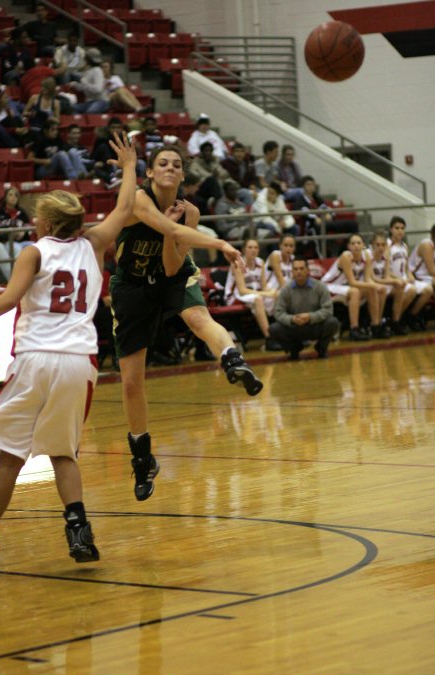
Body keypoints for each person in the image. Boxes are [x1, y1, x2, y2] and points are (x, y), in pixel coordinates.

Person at [0, 132, 137, 574]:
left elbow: (9, 301)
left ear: (48, 224)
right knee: (63, 453)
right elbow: (125, 209)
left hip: (37, 358)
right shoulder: (94, 244)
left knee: (11, 457)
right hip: (79, 362)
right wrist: (129, 166)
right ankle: (79, 533)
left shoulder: (33, 252)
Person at [109, 145, 258, 503]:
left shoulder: (189, 211)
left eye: (177, 164)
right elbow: (165, 228)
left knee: (197, 316)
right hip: (131, 285)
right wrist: (217, 241)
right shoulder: (139, 200)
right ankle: (142, 457)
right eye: (163, 163)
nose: (171, 168)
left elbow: (174, 266)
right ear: (149, 172)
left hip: (170, 278)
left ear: (183, 174)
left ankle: (231, 359)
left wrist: (179, 229)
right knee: (131, 383)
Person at [269, 256, 340, 359]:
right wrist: (292, 319)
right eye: (296, 269)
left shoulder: (320, 287)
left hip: (314, 325)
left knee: (333, 322)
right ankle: (295, 349)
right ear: (292, 271)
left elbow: (328, 310)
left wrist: (310, 317)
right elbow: (278, 312)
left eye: (302, 269)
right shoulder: (285, 290)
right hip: (294, 327)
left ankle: (321, 348)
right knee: (274, 329)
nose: (299, 272)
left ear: (307, 270)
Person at [321, 233, 389, 340]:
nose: (356, 245)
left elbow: (367, 279)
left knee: (371, 290)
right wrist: (374, 286)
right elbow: (352, 282)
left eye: (359, 243)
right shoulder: (346, 256)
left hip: (346, 287)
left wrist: (375, 286)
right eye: (353, 243)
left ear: (363, 245)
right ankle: (354, 329)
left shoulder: (366, 255)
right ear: (348, 246)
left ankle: (375, 326)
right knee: (355, 291)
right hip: (329, 286)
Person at [224, 238, 280, 349]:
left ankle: (282, 335)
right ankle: (269, 339)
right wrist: (265, 294)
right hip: (234, 296)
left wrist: (271, 292)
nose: (253, 250)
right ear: (244, 250)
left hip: (253, 294)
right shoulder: (237, 263)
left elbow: (264, 286)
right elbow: (242, 290)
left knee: (277, 295)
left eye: (256, 247)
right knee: (258, 299)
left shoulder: (260, 262)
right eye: (250, 247)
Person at [292, 175, 359, 257]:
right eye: (308, 184)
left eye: (312, 184)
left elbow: (328, 208)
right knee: (318, 228)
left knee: (352, 224)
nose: (311, 187)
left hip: (325, 223)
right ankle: (323, 256)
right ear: (303, 187)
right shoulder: (300, 199)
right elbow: (303, 212)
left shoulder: (317, 197)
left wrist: (329, 214)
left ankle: (345, 252)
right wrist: (315, 217)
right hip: (312, 226)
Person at [387, 216, 433, 331]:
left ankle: (411, 316)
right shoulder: (387, 245)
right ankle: (395, 320)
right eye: (397, 228)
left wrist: (410, 275)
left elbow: (406, 267)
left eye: (402, 228)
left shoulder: (404, 246)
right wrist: (398, 279)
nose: (400, 231)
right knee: (411, 290)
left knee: (428, 290)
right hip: (392, 280)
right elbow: (385, 270)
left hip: (404, 279)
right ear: (391, 229)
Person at [368, 231, 408, 335]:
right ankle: (377, 323)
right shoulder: (368, 255)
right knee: (382, 289)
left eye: (383, 245)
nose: (381, 247)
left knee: (400, 287)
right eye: (377, 245)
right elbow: (372, 278)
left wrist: (397, 281)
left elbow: (386, 276)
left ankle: (395, 321)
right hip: (369, 284)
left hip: (379, 283)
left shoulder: (385, 256)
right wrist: (394, 280)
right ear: (372, 244)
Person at [409, 222, 435, 329]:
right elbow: (431, 270)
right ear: (433, 236)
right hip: (415, 276)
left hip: (430, 277)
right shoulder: (427, 245)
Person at [0, 186, 31, 258]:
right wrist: (13, 233)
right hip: (6, 242)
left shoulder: (22, 212)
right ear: (5, 198)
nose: (13, 197)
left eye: (16, 195)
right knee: (17, 249)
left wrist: (23, 231)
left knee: (36, 248)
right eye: (10, 195)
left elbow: (28, 226)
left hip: (23, 241)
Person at [69, 48, 110, 114]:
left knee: (91, 112)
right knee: (70, 108)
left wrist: (83, 82)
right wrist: (74, 84)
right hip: (89, 102)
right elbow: (83, 87)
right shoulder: (88, 71)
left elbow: (97, 89)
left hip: (101, 101)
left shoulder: (97, 70)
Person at [189, 140, 230, 207]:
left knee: (227, 183)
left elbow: (224, 173)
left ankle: (217, 200)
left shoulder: (213, 162)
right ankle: (218, 200)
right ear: (201, 152)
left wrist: (218, 174)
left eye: (210, 151)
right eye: (206, 151)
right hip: (201, 188)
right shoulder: (195, 163)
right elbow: (194, 177)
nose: (208, 153)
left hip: (215, 187)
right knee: (211, 179)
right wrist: (211, 176)